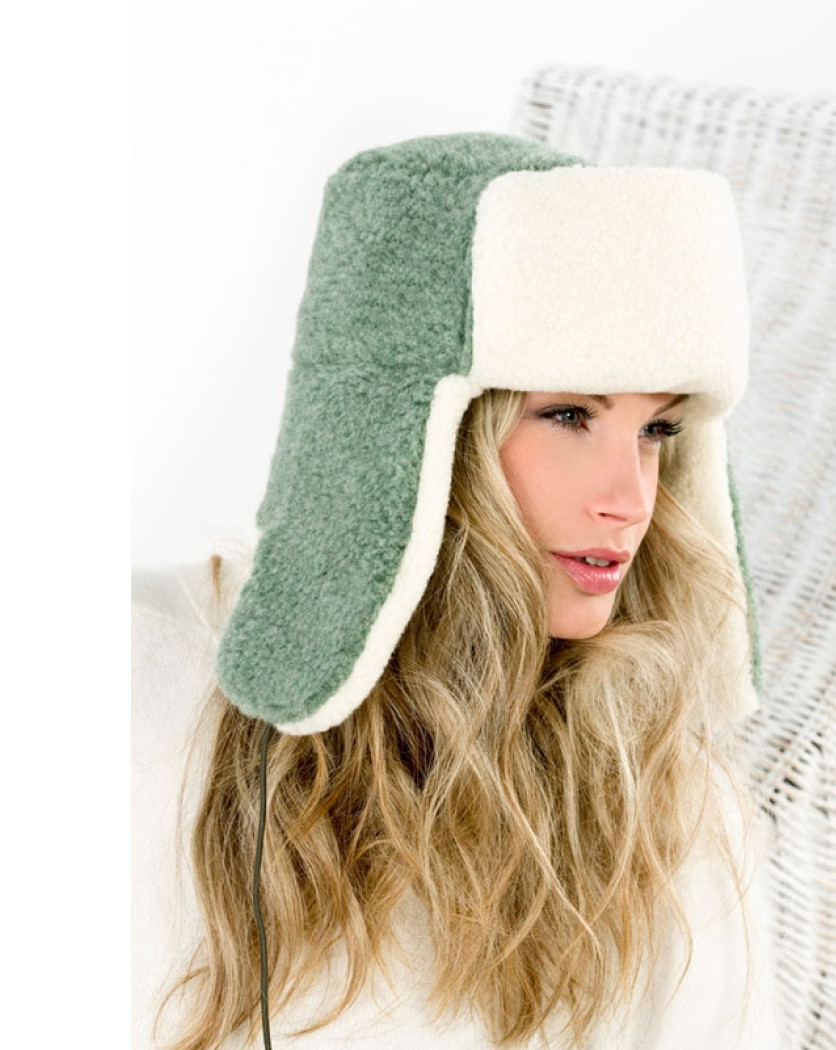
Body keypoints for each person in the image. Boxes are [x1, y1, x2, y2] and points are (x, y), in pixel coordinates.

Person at [130, 132, 781, 1049]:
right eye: (569, 415)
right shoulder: (140, 677)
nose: (631, 500)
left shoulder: (670, 800)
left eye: (657, 431)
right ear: (407, 430)